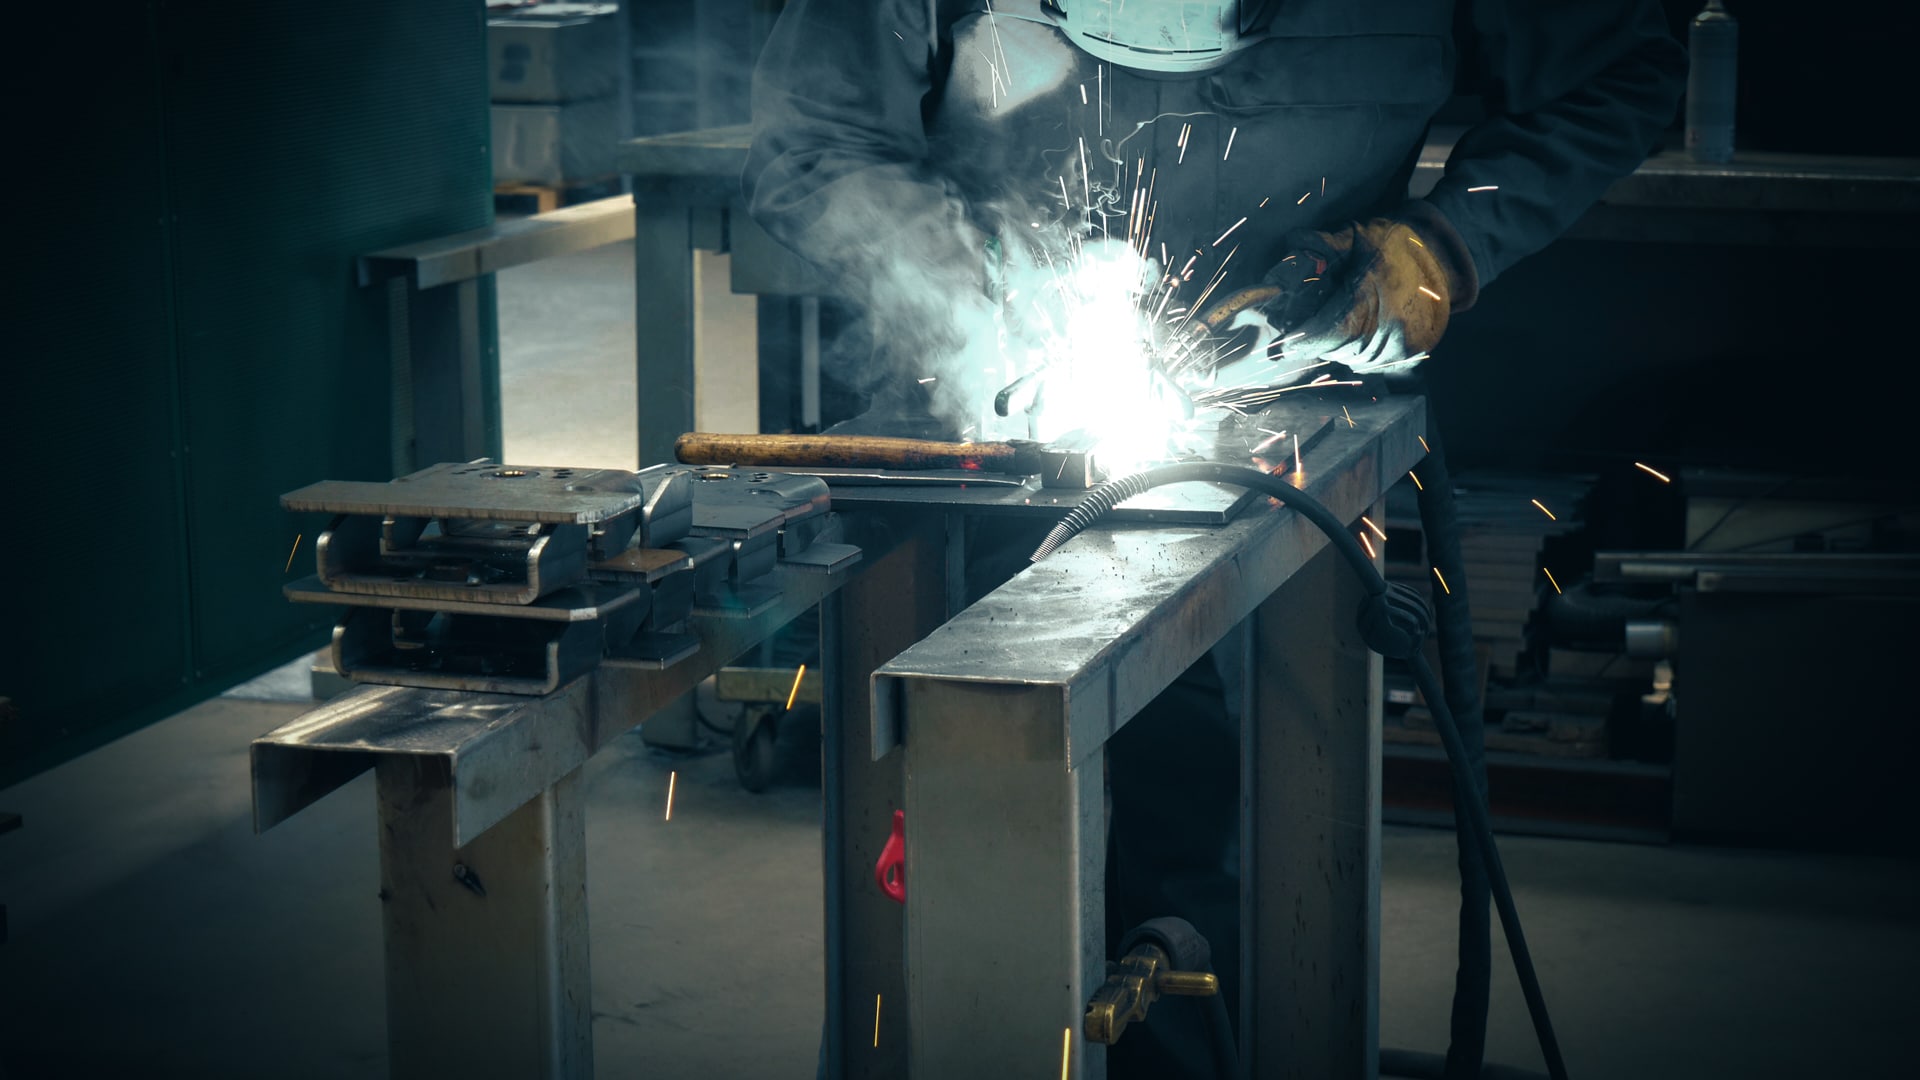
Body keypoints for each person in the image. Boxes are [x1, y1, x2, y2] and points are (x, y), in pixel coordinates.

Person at [746, 3, 1683, 1076]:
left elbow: (1625, 71)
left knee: (1227, 851)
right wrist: (982, 296)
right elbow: (816, 145)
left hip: (1287, 434)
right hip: (986, 428)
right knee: (959, 848)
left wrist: (1443, 242)